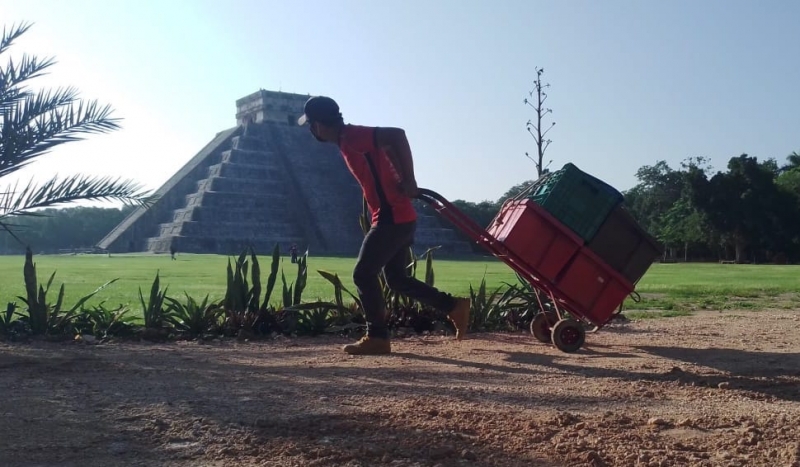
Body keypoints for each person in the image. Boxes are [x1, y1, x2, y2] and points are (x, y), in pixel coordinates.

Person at [297, 96, 471, 355]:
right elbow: (388, 151)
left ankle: (377, 336)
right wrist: (401, 177)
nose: (311, 131)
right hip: (399, 216)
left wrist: (410, 180)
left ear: (319, 125)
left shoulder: (353, 137)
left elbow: (397, 135)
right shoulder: (347, 141)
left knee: (363, 274)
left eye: (311, 125)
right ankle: (453, 306)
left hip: (391, 218)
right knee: (397, 279)